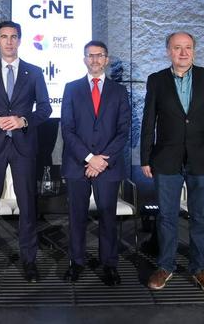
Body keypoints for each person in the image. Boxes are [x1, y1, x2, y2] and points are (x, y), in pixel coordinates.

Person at [140, 31, 204, 295]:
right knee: (167, 216)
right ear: (168, 51)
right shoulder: (156, 80)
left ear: (194, 51)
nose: (183, 52)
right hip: (166, 159)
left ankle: (200, 268)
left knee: (200, 217)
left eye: (188, 47)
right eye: (177, 48)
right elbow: (149, 122)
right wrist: (145, 157)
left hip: (202, 159)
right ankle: (165, 266)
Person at [0, 20, 52, 283]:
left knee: (28, 205)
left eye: (13, 37)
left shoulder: (34, 72)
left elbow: (45, 109)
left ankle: (29, 261)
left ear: (20, 40)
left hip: (24, 147)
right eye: (4, 37)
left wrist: (23, 121)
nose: (9, 41)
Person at [60, 40, 131, 286]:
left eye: (99, 55)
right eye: (90, 56)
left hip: (108, 166)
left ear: (107, 59)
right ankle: (76, 263)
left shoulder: (119, 92)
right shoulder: (71, 88)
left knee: (108, 218)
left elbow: (123, 131)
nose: (95, 60)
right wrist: (90, 159)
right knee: (76, 217)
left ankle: (109, 265)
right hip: (77, 164)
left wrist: (101, 160)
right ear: (84, 59)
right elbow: (67, 130)